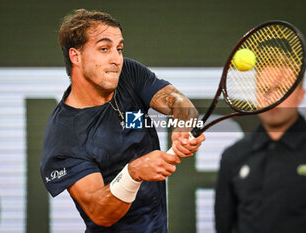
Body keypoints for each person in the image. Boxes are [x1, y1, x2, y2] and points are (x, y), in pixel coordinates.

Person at [40, 9, 205, 233]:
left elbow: (178, 101)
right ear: (75, 56)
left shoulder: (128, 73)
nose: (116, 59)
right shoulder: (63, 136)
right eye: (104, 48)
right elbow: (100, 213)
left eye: (119, 49)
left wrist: (182, 125)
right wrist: (133, 173)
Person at [214, 67, 306, 233]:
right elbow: (223, 225)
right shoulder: (233, 155)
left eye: (282, 89)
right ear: (255, 94)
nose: (273, 98)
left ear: (301, 95)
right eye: (265, 90)